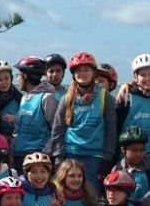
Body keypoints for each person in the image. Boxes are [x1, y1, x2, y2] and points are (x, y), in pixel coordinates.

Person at [47, 52, 117, 193]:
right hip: (71, 154)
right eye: (79, 70)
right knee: (67, 195)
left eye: (86, 70)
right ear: (73, 74)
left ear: (93, 73)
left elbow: (111, 130)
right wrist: (59, 158)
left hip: (95, 157)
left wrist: (107, 158)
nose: (82, 73)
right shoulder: (67, 99)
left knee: (93, 195)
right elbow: (58, 130)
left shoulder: (105, 97)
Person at [116, 54, 150, 161]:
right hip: (129, 159)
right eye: (143, 75)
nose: (147, 78)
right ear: (136, 77)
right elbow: (116, 128)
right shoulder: (127, 97)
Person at [12, 55, 57, 168]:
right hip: (19, 155)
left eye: (19, 75)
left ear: (26, 76)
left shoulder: (47, 98)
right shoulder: (24, 98)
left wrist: (45, 153)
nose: (18, 79)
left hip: (37, 158)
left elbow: (56, 130)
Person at [112, 126, 150, 201]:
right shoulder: (118, 168)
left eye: (142, 150)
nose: (138, 154)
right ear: (123, 150)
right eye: (134, 150)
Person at [0, 61, 21, 139]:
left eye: (6, 78)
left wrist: (15, 118)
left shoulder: (19, 97)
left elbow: (27, 116)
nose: (3, 82)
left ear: (11, 78)